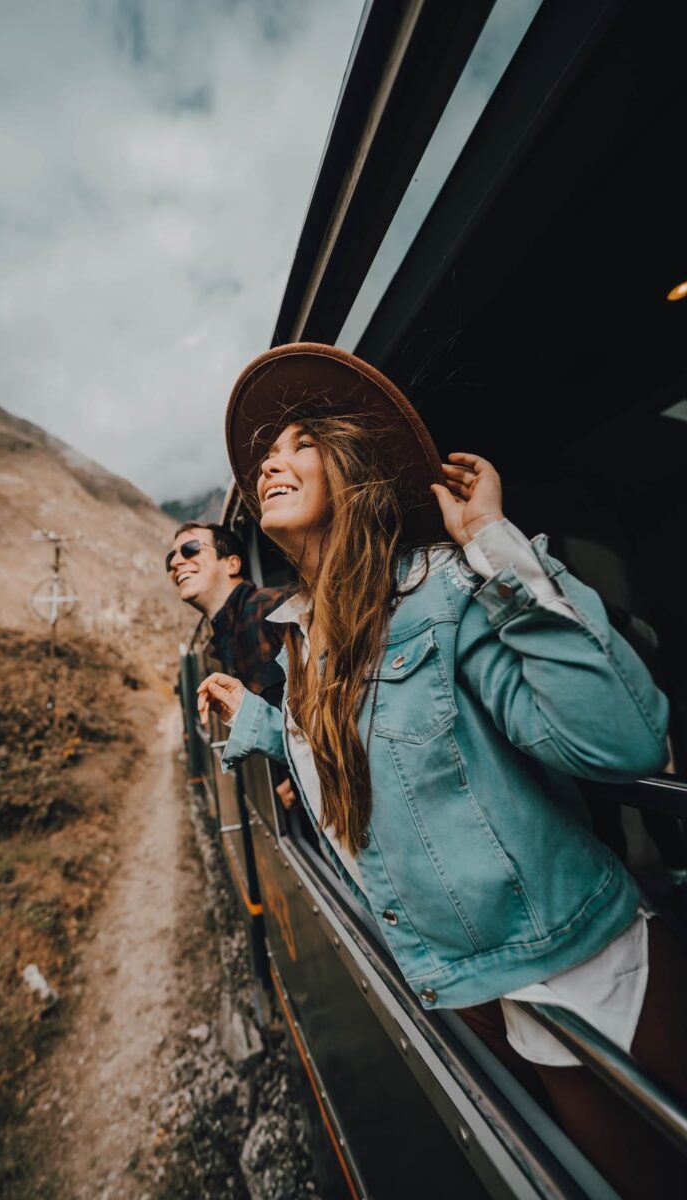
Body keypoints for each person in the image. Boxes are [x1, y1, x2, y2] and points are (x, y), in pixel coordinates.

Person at [197, 342, 687, 1199]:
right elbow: (374, 748)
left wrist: (496, 546)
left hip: (579, 976)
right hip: (465, 985)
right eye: (267, 454)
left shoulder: (445, 590)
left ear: (348, 471)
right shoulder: (304, 641)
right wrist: (266, 727)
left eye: (299, 444)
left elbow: (621, 745)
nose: (271, 460)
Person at [167, 521, 297, 808]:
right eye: (171, 558)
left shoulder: (278, 610)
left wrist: (301, 780)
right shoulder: (224, 642)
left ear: (232, 564)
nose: (176, 562)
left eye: (189, 549)